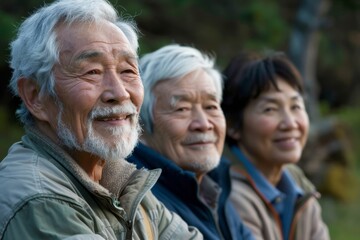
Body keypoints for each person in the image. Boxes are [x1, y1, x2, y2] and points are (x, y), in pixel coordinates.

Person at [0, 1, 203, 239]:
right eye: (92, 72)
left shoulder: (122, 182)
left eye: (127, 71)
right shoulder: (38, 198)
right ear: (35, 96)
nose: (119, 93)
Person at [127, 44, 254, 240]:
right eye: (182, 109)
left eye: (211, 107)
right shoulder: (141, 201)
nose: (203, 124)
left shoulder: (212, 187)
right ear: (141, 125)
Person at [221, 51, 330, 240]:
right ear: (232, 125)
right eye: (270, 109)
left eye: (296, 106)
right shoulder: (228, 195)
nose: (290, 123)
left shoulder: (297, 184)